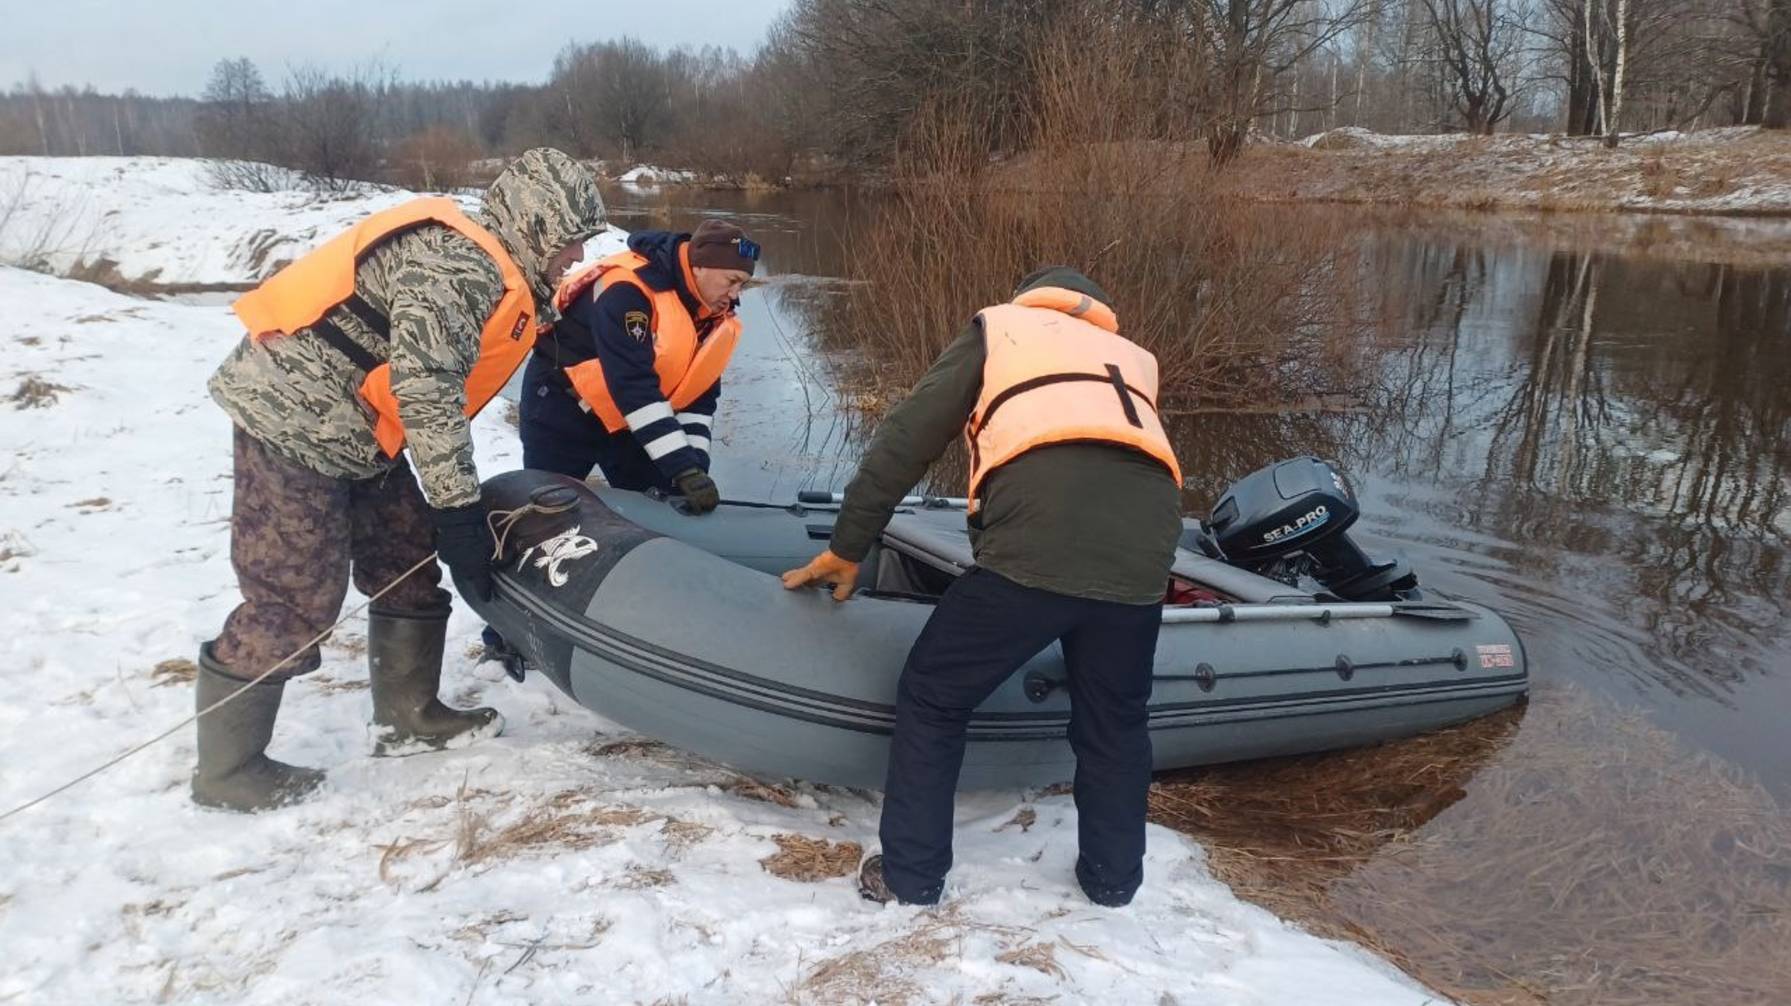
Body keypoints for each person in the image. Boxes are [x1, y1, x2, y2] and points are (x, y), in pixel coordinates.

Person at [197, 148, 605, 813]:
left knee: (407, 561)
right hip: (293, 422)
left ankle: (407, 719)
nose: (577, 255)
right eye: (570, 240)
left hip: (358, 430)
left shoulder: (496, 271)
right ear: (535, 225)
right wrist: (459, 510)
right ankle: (228, 771)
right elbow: (427, 391)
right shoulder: (455, 266)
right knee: (293, 599)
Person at [781, 266, 1184, 908]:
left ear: (1032, 297)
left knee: (935, 693)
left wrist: (848, 545)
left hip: (1036, 545)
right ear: (1098, 313)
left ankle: (910, 876)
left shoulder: (1002, 327)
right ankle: (1113, 881)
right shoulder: (1135, 357)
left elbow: (906, 438)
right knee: (1116, 721)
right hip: (1146, 557)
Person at [518, 218, 756, 511]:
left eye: (742, 285)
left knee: (663, 499)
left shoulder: (710, 318)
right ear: (699, 267)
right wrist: (683, 468)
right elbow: (632, 385)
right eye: (731, 281)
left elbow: (698, 398)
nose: (735, 295)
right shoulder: (628, 291)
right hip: (563, 406)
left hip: (628, 419)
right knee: (547, 509)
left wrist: (695, 470)